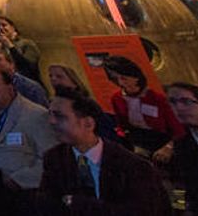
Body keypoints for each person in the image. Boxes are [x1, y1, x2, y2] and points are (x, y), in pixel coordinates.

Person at [39, 89, 171, 216]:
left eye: (59, 116)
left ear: (88, 124)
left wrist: (78, 203)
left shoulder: (133, 166)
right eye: (50, 114)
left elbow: (140, 212)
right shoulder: (55, 158)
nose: (51, 121)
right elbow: (49, 205)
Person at [0, 64, 58, 190]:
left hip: (19, 190)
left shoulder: (36, 115)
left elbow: (53, 162)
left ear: (9, 87)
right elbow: (2, 131)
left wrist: (18, 180)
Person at [102, 55, 184, 152]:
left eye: (124, 78)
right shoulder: (117, 98)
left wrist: (168, 147)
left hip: (160, 140)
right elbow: (122, 126)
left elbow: (178, 130)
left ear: (135, 76)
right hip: (135, 139)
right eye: (114, 79)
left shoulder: (157, 99)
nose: (120, 83)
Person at [154, 82, 198, 215]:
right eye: (173, 103)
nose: (178, 108)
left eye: (186, 101)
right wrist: (184, 209)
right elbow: (179, 188)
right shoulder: (179, 149)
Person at [47, 64, 121, 145]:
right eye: (50, 76)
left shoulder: (86, 103)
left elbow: (105, 131)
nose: (53, 79)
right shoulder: (53, 103)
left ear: (73, 81)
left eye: (59, 76)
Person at [0, 15, 42, 81]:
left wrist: (9, 44)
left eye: (4, 25)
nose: (0, 28)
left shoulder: (27, 44)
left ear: (13, 28)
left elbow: (29, 67)